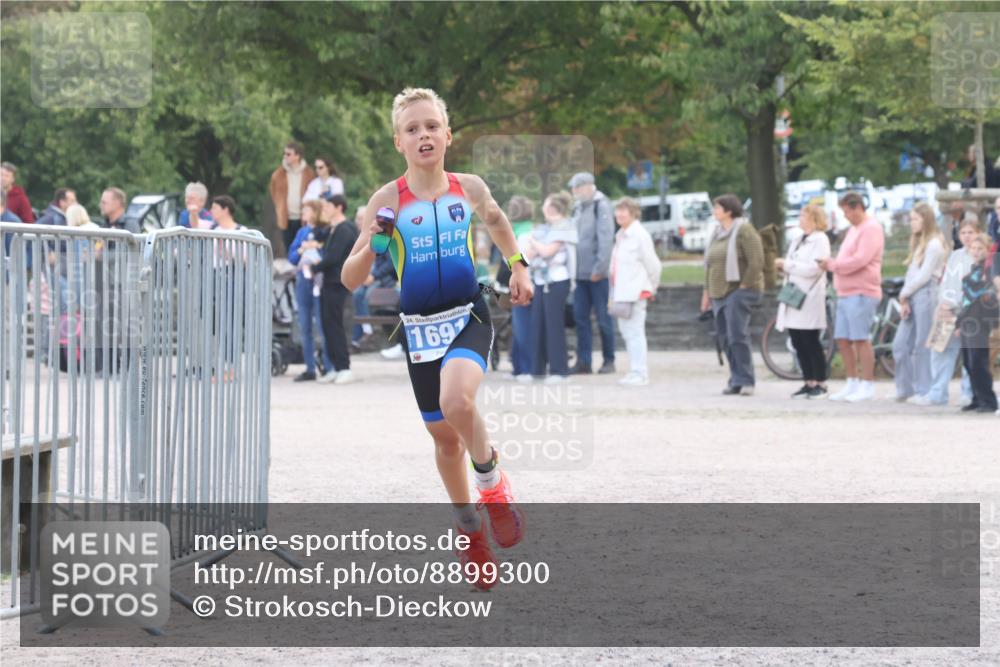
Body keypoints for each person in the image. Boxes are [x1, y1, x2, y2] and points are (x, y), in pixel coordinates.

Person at [341, 87, 533, 590]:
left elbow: (495, 220)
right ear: (398, 143)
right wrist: (377, 242)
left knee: (457, 398)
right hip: (420, 330)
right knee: (445, 440)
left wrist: (518, 266)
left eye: (431, 126)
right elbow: (350, 278)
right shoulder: (386, 200)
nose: (423, 134)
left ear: (448, 135)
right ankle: (470, 529)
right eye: (412, 129)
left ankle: (492, 485)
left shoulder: (467, 187)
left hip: (468, 314)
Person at [818, 192, 885, 403]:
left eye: (847, 211)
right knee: (843, 339)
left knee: (860, 339)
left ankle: (868, 383)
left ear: (857, 208)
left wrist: (834, 265)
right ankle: (852, 381)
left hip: (862, 291)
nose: (845, 216)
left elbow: (861, 259)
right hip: (846, 292)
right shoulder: (854, 229)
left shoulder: (871, 228)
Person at [700, 194, 764, 396]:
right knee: (725, 338)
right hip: (718, 292)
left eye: (717, 208)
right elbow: (709, 266)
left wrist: (744, 284)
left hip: (738, 291)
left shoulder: (744, 229)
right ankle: (735, 378)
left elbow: (756, 260)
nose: (714, 211)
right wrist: (706, 292)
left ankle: (746, 380)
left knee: (737, 335)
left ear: (729, 210)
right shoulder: (717, 232)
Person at [891, 202, 948, 402]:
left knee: (922, 343)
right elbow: (912, 273)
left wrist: (905, 292)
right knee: (900, 344)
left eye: (915, 219)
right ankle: (905, 388)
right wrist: (905, 297)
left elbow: (924, 276)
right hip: (912, 294)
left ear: (926, 219)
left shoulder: (934, 245)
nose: (912, 223)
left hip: (926, 293)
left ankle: (925, 389)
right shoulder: (919, 244)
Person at [774, 204, 832, 398]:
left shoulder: (820, 239)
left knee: (810, 340)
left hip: (809, 296)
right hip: (794, 294)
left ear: (813, 218)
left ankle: (821, 382)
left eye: (803, 215)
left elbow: (814, 268)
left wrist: (787, 265)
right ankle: (808, 380)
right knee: (797, 340)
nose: (800, 218)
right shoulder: (798, 240)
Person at [922, 217, 978, 406]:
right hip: (948, 309)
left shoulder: (981, 256)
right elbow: (946, 282)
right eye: (964, 233)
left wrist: (957, 305)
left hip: (968, 311)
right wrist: (943, 304)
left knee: (969, 352)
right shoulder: (955, 256)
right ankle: (938, 392)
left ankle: (968, 392)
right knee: (940, 351)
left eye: (971, 232)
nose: (967, 236)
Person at [524, 191, 577, 383]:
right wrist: (535, 245)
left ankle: (559, 371)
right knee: (537, 325)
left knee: (554, 326)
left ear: (552, 209)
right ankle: (537, 370)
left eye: (545, 206)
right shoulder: (545, 229)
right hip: (540, 281)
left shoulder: (565, 228)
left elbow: (547, 252)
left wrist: (533, 242)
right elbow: (529, 256)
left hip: (557, 282)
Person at [568, 171, 616, 375]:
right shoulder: (578, 207)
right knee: (580, 319)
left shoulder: (601, 205)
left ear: (588, 186)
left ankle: (609, 360)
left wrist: (600, 269)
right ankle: (584, 361)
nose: (574, 192)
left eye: (577, 188)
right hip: (579, 275)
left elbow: (606, 240)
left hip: (597, 275)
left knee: (604, 319)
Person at [610, 196, 661, 386]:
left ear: (633, 213)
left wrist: (650, 288)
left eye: (624, 211)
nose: (619, 214)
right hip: (622, 293)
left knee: (635, 332)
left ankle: (640, 372)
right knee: (627, 332)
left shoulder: (640, 235)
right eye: (618, 211)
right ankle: (634, 370)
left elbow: (653, 265)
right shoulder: (621, 235)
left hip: (635, 292)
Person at [312, 193, 358, 385]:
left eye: (328, 207)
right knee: (327, 324)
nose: (325, 210)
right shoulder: (333, 229)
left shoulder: (345, 228)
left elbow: (334, 257)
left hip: (338, 282)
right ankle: (335, 366)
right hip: (328, 282)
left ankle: (344, 366)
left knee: (335, 324)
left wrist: (315, 266)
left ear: (339, 207)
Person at [287, 199, 333, 381]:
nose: (304, 215)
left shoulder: (325, 231)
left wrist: (317, 250)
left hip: (319, 281)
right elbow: (292, 257)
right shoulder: (301, 232)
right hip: (302, 281)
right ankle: (310, 367)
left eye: (307, 211)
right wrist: (301, 250)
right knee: (305, 325)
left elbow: (329, 255)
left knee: (322, 324)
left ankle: (329, 366)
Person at [955, 232, 999, 413]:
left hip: (980, 319)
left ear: (988, 250)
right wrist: (959, 322)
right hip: (967, 319)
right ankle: (977, 398)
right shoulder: (973, 270)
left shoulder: (988, 270)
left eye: (980, 248)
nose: (976, 251)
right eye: (973, 248)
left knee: (978, 361)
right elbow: (965, 299)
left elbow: (985, 295)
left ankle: (988, 400)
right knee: (967, 362)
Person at [498, 195, 536, 381]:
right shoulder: (522, 231)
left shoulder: (524, 233)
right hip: (519, 284)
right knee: (518, 327)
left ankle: (526, 369)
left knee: (523, 328)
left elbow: (519, 260)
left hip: (524, 285)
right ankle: (519, 368)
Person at [269, 141, 315, 254]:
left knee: (304, 245)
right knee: (289, 246)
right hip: (286, 218)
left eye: (289, 154)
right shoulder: (278, 174)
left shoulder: (308, 173)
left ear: (297, 156)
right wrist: (280, 208)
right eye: (284, 153)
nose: (285, 156)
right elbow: (273, 193)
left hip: (303, 218)